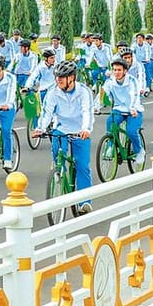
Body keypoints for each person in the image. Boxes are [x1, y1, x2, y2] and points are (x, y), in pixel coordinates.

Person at [33, 61, 95, 213]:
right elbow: (47, 113)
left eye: (62, 77)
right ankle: (57, 168)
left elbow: (87, 111)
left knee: (82, 166)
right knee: (57, 149)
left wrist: (86, 129)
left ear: (72, 78)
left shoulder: (83, 92)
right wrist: (40, 128)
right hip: (61, 129)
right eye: (57, 77)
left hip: (80, 130)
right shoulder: (53, 92)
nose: (58, 80)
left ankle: (84, 202)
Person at [102, 58, 146, 167]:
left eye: (119, 70)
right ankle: (110, 146)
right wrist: (96, 107)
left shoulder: (132, 81)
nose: (116, 72)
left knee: (131, 131)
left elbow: (135, 95)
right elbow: (102, 95)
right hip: (118, 110)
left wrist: (132, 108)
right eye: (114, 70)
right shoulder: (109, 82)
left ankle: (139, 151)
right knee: (110, 123)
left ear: (125, 71)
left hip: (134, 110)